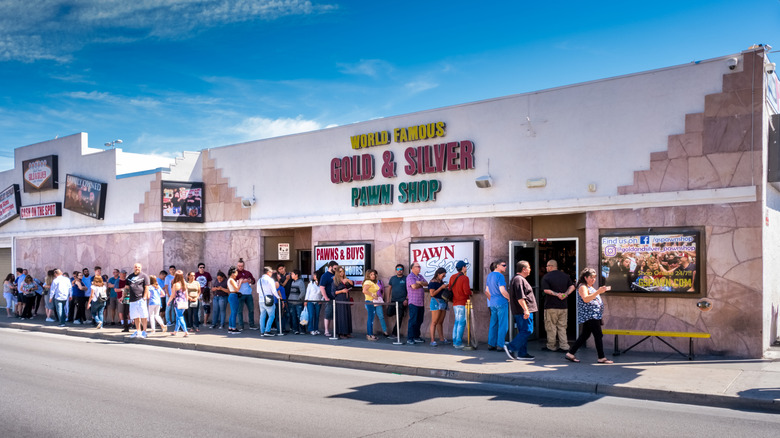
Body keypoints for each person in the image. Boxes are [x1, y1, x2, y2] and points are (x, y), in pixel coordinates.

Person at [565, 268, 613, 364]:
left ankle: (570, 353)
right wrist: (598, 292)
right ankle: (601, 357)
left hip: (593, 315)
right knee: (598, 335)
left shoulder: (588, 286)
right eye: (591, 277)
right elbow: (586, 299)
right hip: (590, 315)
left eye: (594, 277)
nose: (593, 279)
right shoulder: (583, 287)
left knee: (585, 335)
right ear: (585, 277)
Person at [504, 260, 536, 361]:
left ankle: (522, 353)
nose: (530, 270)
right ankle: (510, 347)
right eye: (529, 268)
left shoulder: (518, 279)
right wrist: (526, 310)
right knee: (527, 330)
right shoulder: (518, 279)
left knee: (523, 331)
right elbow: (520, 297)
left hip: (521, 311)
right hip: (523, 311)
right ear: (524, 269)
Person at [541, 259, 574, 352]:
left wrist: (557, 294)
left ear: (551, 266)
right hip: (563, 306)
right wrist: (565, 294)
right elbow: (572, 286)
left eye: (547, 266)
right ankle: (564, 346)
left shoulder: (546, 277)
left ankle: (551, 346)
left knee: (551, 327)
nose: (546, 268)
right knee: (562, 327)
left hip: (551, 306)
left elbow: (546, 290)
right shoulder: (565, 276)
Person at [485, 260, 510, 351]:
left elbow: (487, 291)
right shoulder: (500, 276)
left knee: (493, 323)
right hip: (501, 302)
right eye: (503, 265)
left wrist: (492, 300)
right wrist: (509, 298)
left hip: (493, 302)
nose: (505, 267)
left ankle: (491, 344)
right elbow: (503, 291)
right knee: (503, 324)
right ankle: (500, 344)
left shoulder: (489, 275)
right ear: (497, 266)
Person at [448, 260, 472, 349]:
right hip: (463, 303)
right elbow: (466, 291)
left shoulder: (452, 277)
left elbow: (450, 288)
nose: (466, 268)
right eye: (465, 266)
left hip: (455, 303)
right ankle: (458, 343)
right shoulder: (465, 278)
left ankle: (455, 341)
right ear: (463, 268)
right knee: (462, 323)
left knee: (457, 322)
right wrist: (471, 293)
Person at [405, 262, 428, 345]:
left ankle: (416, 336)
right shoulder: (410, 276)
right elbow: (414, 286)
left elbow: (426, 283)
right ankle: (410, 338)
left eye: (419, 266)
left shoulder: (420, 276)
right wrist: (420, 283)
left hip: (421, 303)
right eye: (417, 266)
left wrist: (419, 283)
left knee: (419, 320)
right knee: (413, 321)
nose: (419, 268)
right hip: (413, 302)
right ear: (413, 268)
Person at [126, 263, 150, 338]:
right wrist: (124, 296)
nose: (137, 268)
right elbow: (127, 288)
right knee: (135, 316)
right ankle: (138, 331)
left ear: (141, 268)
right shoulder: (130, 277)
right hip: (132, 300)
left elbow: (146, 287)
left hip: (141, 299)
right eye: (136, 267)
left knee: (143, 315)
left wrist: (145, 297)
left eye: (138, 267)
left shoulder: (144, 276)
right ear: (133, 268)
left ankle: (144, 331)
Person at [427, 267, 449, 346]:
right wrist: (441, 288)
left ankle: (441, 338)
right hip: (436, 302)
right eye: (443, 275)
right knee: (434, 322)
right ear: (438, 274)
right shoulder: (432, 282)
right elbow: (432, 294)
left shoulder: (441, 282)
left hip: (442, 302)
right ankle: (432, 340)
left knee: (440, 322)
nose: (443, 277)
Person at [235, 258, 257, 330]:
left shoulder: (248, 273)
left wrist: (250, 280)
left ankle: (251, 324)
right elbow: (232, 282)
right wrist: (240, 281)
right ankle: (241, 326)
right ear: (237, 266)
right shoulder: (235, 273)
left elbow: (254, 281)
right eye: (239, 266)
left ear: (244, 266)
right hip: (240, 294)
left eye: (241, 266)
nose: (240, 267)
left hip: (248, 294)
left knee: (251, 309)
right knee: (239, 310)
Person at [258, 266, 280, 337]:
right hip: (268, 300)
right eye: (271, 272)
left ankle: (262, 331)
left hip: (261, 300)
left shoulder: (259, 280)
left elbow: (258, 291)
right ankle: (267, 330)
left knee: (262, 316)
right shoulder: (270, 280)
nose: (271, 273)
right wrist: (278, 297)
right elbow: (274, 290)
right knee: (271, 316)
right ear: (268, 272)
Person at [333, 266, 353, 339]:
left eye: (343, 271)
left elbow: (351, 285)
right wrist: (342, 291)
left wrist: (347, 280)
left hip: (346, 299)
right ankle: (341, 333)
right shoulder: (335, 281)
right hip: (340, 300)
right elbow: (333, 292)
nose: (342, 273)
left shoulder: (345, 280)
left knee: (347, 315)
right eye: (340, 271)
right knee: (342, 316)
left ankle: (347, 332)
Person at [319, 261, 338, 337]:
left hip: (336, 297)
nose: (336, 269)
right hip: (329, 298)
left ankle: (335, 330)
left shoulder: (336, 275)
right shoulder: (325, 276)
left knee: (335, 315)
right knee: (328, 314)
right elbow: (322, 287)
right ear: (330, 267)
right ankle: (326, 330)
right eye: (335, 268)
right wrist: (326, 297)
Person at [388, 264, 407, 337]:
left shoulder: (406, 278)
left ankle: (394, 333)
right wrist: (388, 299)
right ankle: (401, 313)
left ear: (403, 270)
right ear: (396, 270)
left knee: (399, 318)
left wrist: (406, 299)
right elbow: (389, 288)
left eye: (401, 269)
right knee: (389, 313)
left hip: (402, 301)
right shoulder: (393, 278)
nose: (399, 271)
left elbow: (409, 289)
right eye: (398, 269)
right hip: (393, 300)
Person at [168, 270, 189, 337]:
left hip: (177, 302)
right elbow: (186, 294)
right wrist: (186, 301)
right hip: (183, 302)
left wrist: (168, 301)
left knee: (180, 317)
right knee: (178, 317)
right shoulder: (184, 284)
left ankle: (186, 331)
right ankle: (175, 331)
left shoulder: (175, 284)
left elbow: (172, 295)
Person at [362, 269, 381, 341]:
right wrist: (373, 295)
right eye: (371, 274)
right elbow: (364, 291)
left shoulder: (373, 282)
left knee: (371, 318)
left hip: (373, 301)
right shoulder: (368, 282)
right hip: (369, 301)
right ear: (368, 275)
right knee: (370, 318)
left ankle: (370, 334)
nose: (373, 276)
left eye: (374, 274)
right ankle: (369, 334)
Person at [287, 270, 306, 334]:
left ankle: (303, 329)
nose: (291, 275)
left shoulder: (300, 282)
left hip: (298, 303)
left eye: (292, 274)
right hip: (291, 302)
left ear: (296, 275)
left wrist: (298, 299)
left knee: (301, 316)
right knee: (293, 316)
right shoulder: (292, 282)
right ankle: (295, 329)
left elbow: (303, 292)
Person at [275, 264, 292, 332]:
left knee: (289, 313)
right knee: (283, 313)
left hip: (290, 295)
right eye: (279, 269)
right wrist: (286, 280)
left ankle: (290, 327)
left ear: (284, 268)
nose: (281, 270)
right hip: (282, 297)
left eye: (282, 268)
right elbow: (281, 286)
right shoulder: (279, 277)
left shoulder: (289, 275)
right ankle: (281, 328)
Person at [226, 266, 241, 333]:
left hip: (232, 295)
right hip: (233, 295)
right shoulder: (231, 280)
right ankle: (234, 328)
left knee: (232, 312)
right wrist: (240, 282)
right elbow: (237, 289)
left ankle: (230, 327)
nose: (236, 275)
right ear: (232, 273)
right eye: (235, 273)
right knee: (234, 312)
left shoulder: (230, 280)